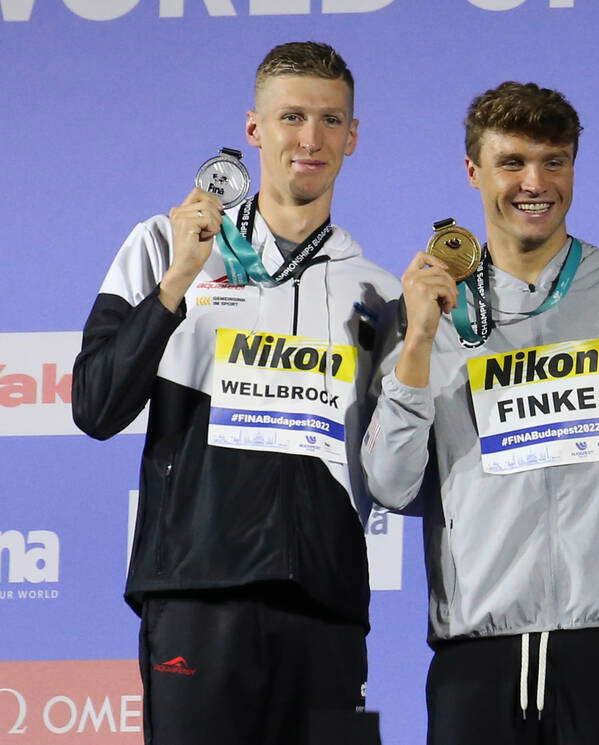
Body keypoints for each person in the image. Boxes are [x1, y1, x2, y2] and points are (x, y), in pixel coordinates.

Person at [72, 41, 398, 745]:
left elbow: (396, 461)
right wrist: (175, 287)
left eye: (330, 120)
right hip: (196, 592)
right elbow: (95, 406)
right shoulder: (166, 244)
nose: (310, 139)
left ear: (353, 136)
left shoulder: (378, 291)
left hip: (327, 606)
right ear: (254, 129)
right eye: (291, 117)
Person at [361, 81, 599, 745]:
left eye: (554, 161)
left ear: (575, 164)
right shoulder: (425, 310)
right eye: (512, 162)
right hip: (475, 659)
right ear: (473, 171)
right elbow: (391, 484)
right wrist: (421, 340)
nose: (534, 183)